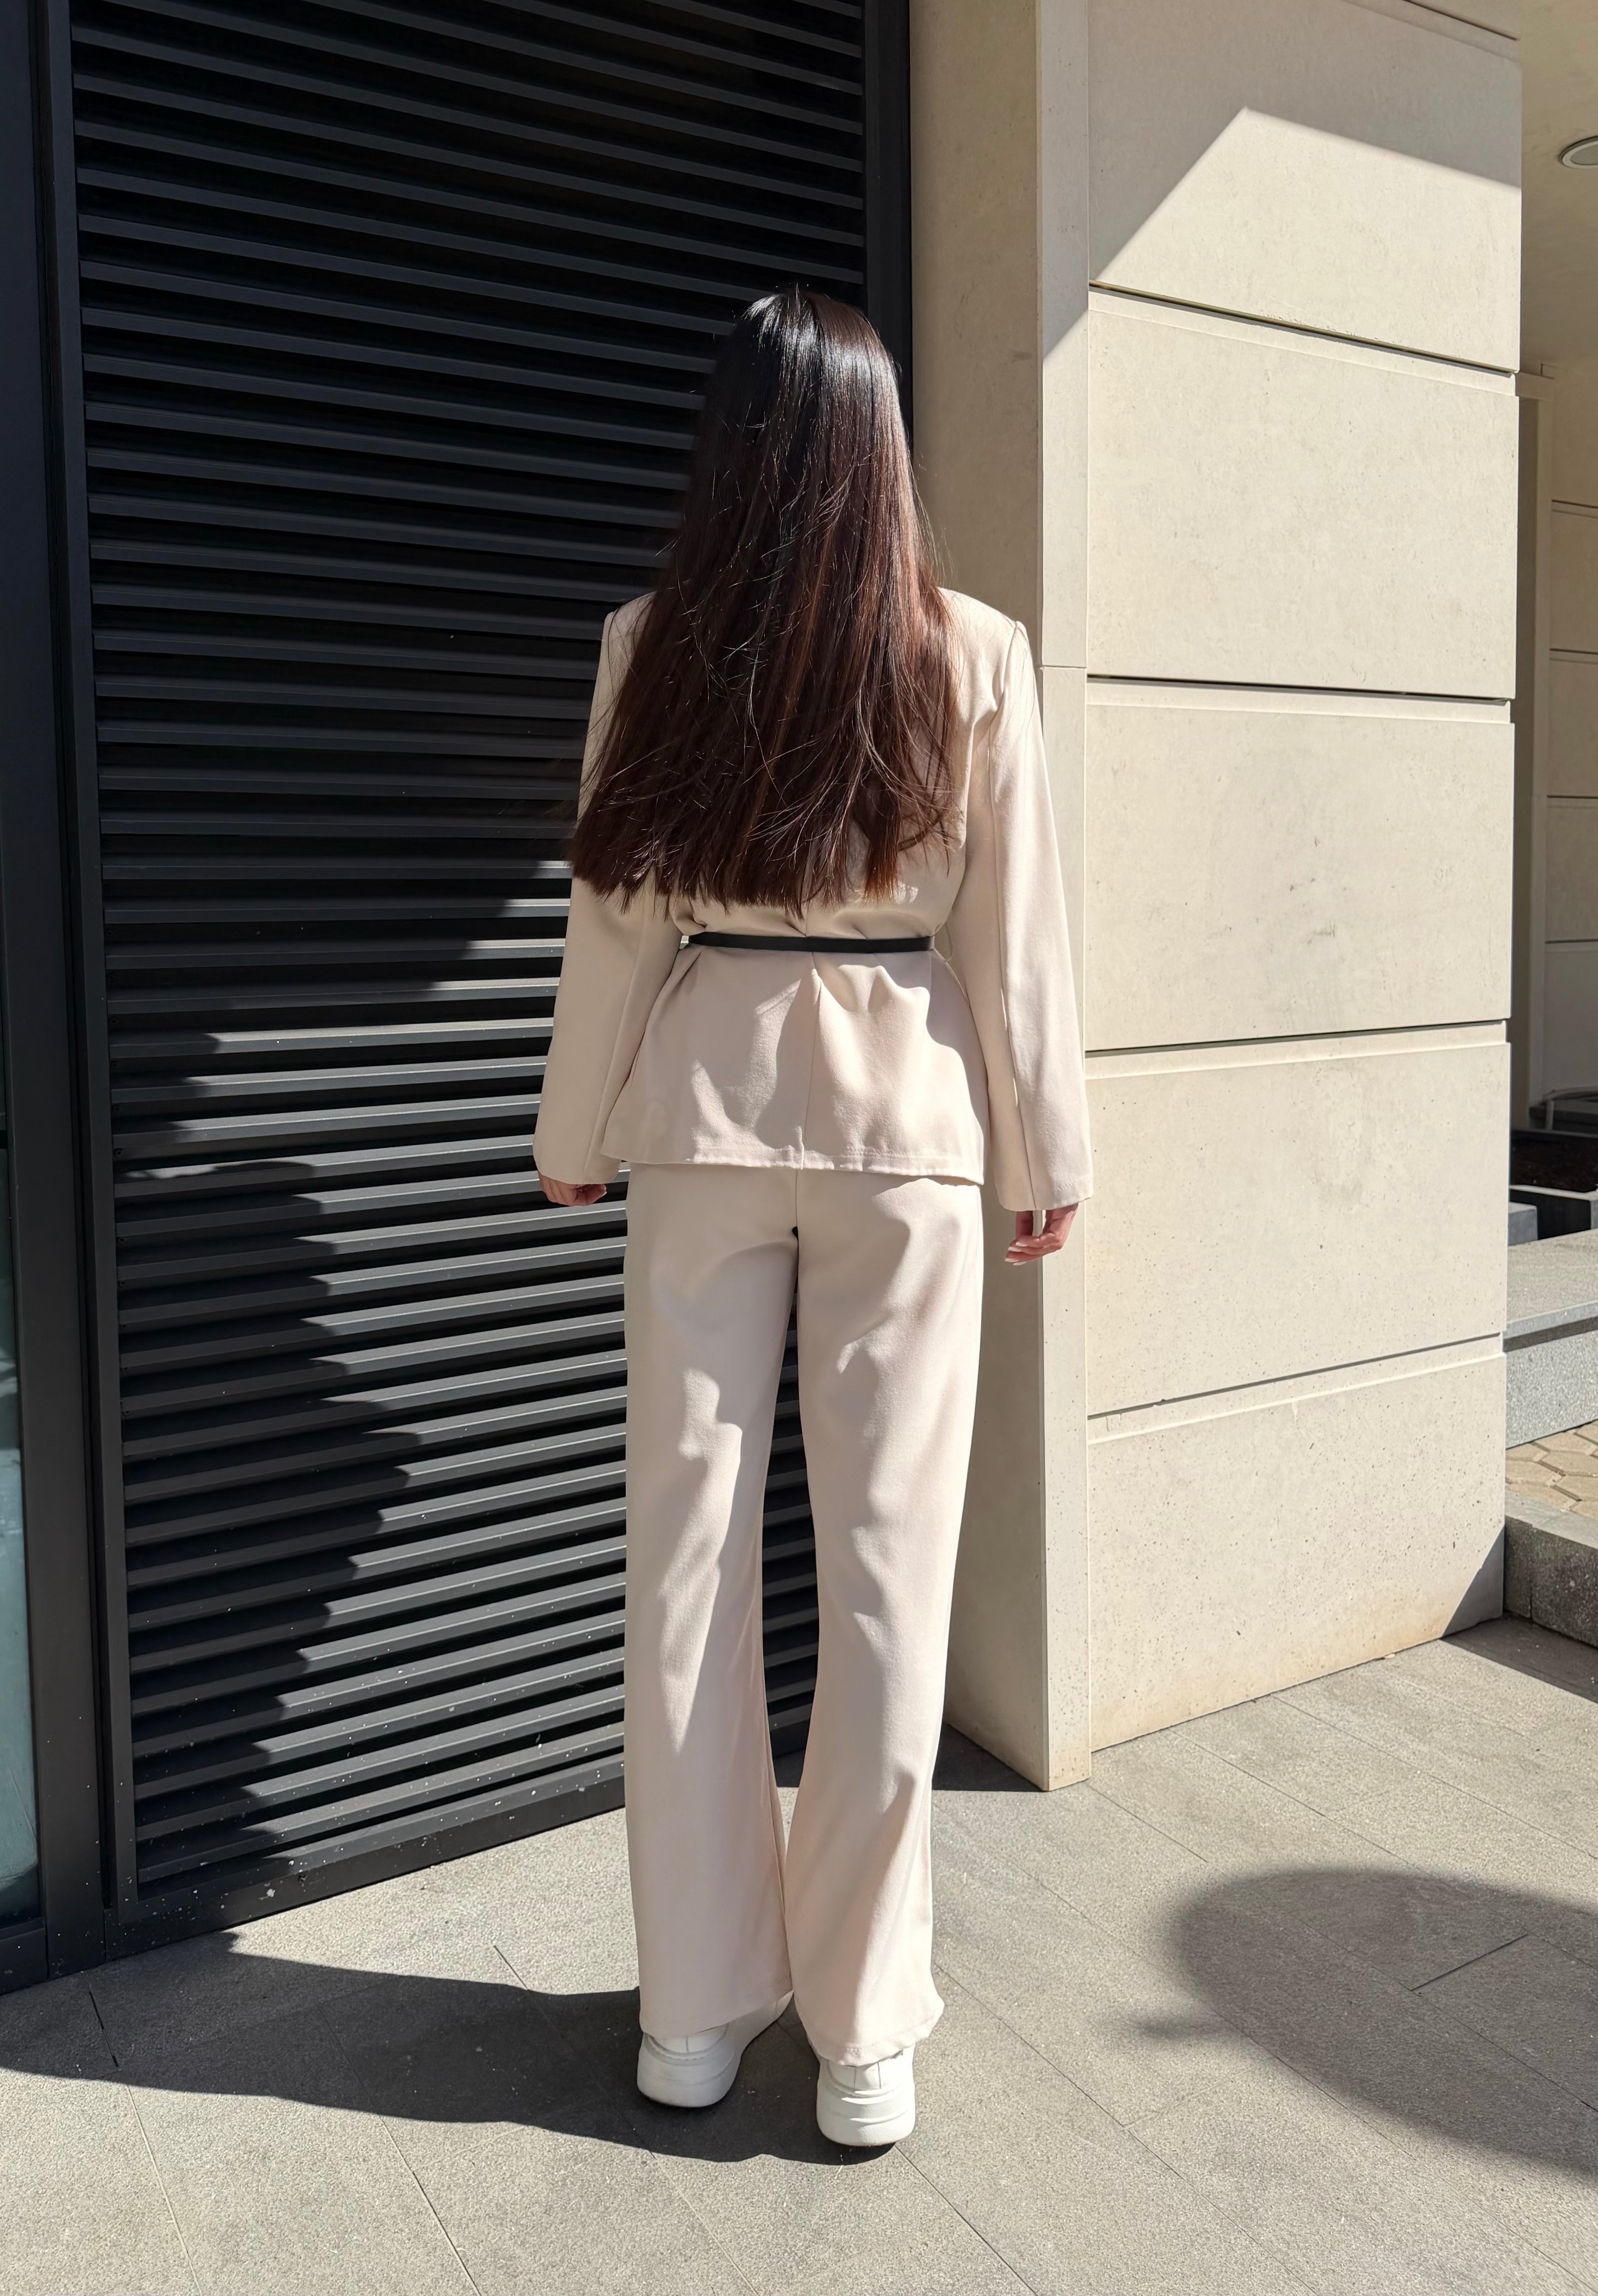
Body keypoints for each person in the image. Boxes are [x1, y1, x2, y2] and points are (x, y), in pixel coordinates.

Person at [532, 287, 1092, 2148]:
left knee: (684, 1562)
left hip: (704, 1113)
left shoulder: (648, 643)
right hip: (906, 1124)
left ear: (731, 447)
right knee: (887, 1572)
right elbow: (1013, 934)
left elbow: (617, 909)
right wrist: (1045, 1152)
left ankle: (691, 2014)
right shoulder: (974, 648)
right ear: (879, 446)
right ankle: (862, 2035)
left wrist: (575, 1124)